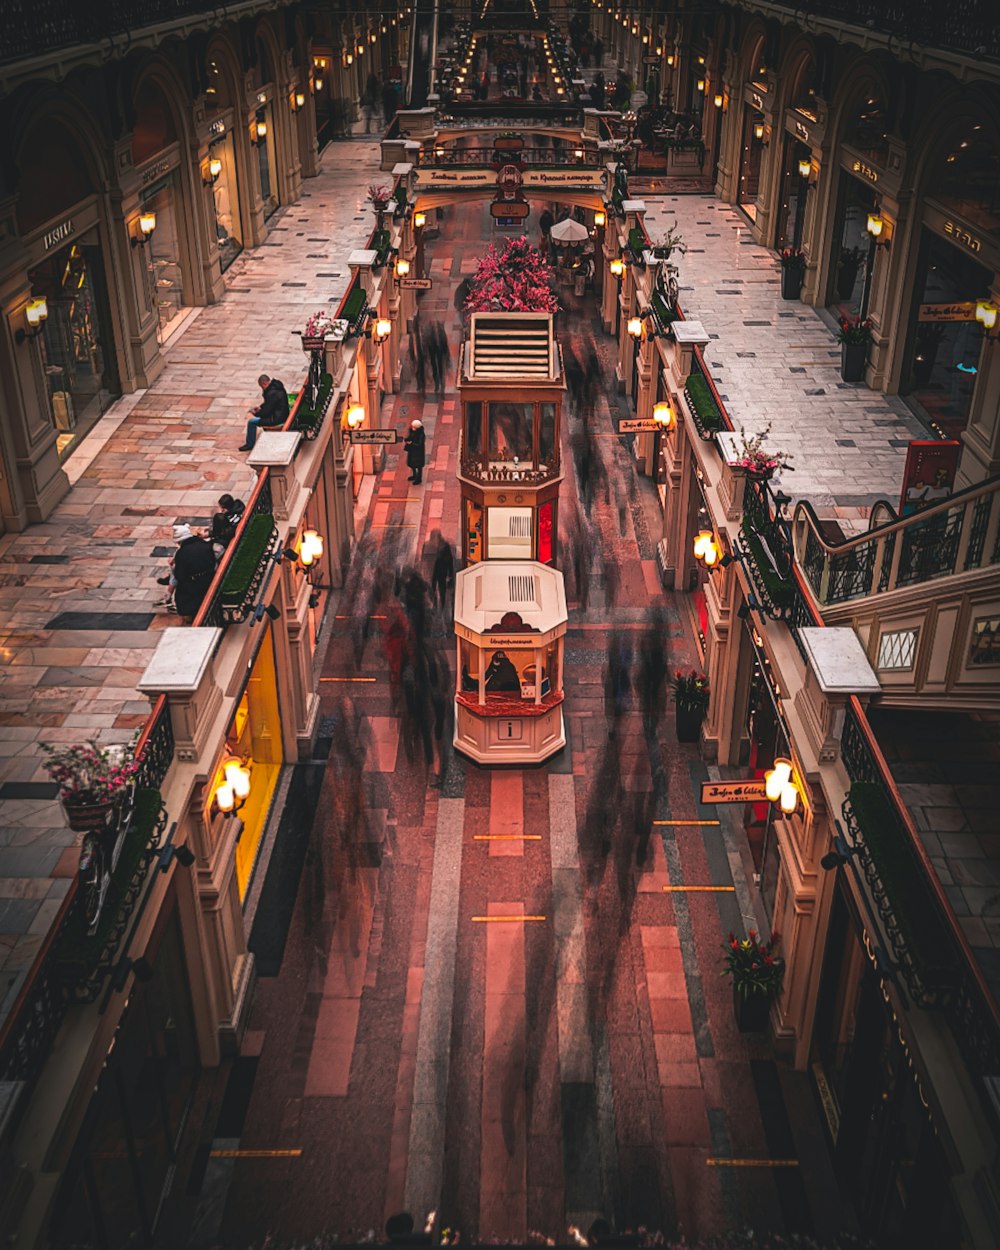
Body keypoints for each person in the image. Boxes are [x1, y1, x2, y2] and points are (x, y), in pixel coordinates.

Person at [172, 524, 216, 625]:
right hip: (209, 577)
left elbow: (180, 575)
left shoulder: (182, 553)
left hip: (194, 584)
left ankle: (190, 617)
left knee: (182, 595)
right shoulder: (205, 545)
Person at [240, 374, 288, 450]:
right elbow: (270, 404)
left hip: (277, 418)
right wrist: (260, 407)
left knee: (251, 422)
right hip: (282, 414)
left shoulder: (271, 393)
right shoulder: (276, 387)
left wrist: (255, 413)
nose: (262, 389)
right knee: (257, 420)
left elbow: (266, 413)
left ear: (264, 384)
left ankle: (249, 445)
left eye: (261, 387)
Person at [430, 531, 455, 612]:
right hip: (436, 570)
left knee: (442, 589)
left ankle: (441, 607)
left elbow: (449, 561)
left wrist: (450, 574)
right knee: (433, 587)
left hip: (442, 571)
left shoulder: (445, 546)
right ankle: (435, 605)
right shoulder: (434, 545)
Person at [404, 418, 426, 485]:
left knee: (419, 466)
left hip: (418, 453)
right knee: (412, 464)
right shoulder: (412, 431)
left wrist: (411, 443)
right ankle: (414, 475)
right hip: (412, 451)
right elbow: (409, 437)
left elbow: (420, 444)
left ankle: (419, 478)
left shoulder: (421, 435)